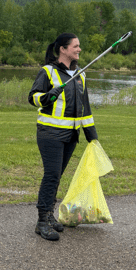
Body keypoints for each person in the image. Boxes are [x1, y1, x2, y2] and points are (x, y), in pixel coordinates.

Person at [28, 33, 98, 241]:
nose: (79, 50)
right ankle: (42, 222)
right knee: (51, 176)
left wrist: (92, 136)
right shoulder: (48, 72)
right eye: (75, 46)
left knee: (57, 176)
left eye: (79, 46)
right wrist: (47, 97)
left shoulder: (80, 74)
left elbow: (84, 108)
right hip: (50, 134)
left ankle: (49, 216)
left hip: (70, 135)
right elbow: (33, 98)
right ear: (63, 49)